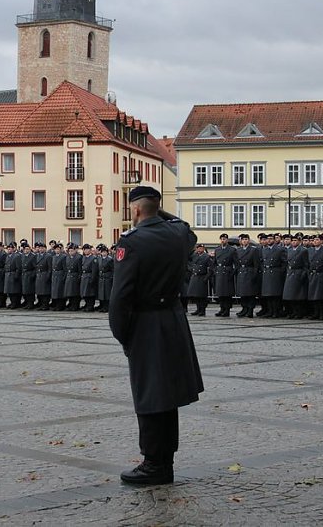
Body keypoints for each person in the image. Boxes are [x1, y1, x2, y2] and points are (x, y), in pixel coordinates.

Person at [110, 186, 203, 485]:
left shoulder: (132, 243)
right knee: (167, 395)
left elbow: (120, 298)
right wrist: (156, 209)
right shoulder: (177, 236)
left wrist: (124, 336)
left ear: (135, 210)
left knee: (149, 394)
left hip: (146, 324)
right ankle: (165, 461)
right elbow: (185, 228)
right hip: (173, 320)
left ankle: (154, 464)